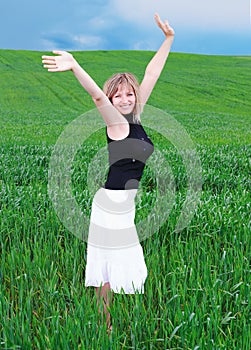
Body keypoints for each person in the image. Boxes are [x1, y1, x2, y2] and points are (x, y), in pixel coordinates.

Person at [42, 13, 174, 334]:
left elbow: (152, 72)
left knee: (111, 263)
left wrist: (168, 39)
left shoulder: (137, 117)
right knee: (110, 264)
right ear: (113, 100)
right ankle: (106, 324)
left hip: (121, 204)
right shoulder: (116, 124)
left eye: (130, 94)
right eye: (120, 96)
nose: (126, 99)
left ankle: (107, 320)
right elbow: (96, 96)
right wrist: (74, 66)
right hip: (111, 207)